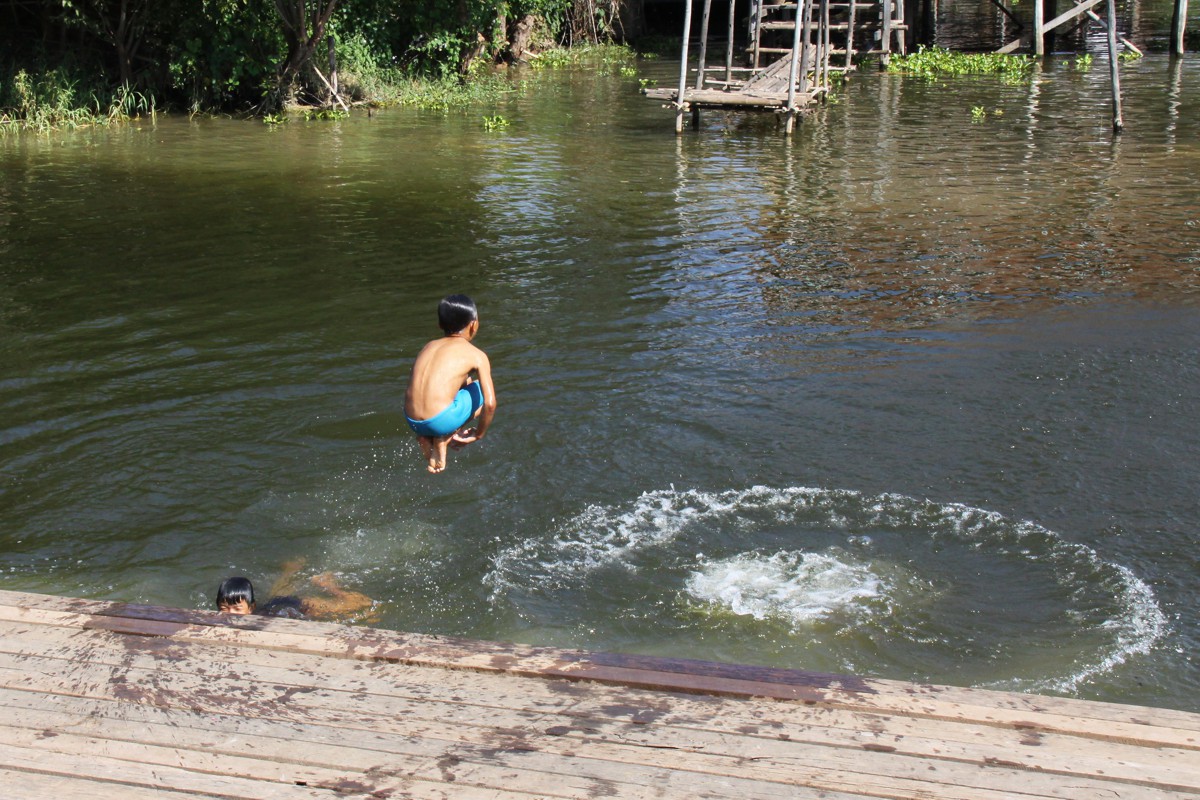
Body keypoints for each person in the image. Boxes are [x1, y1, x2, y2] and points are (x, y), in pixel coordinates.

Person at [404, 294, 497, 474]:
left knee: (464, 381)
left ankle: (427, 437)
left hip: (412, 419)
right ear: (474, 324)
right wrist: (478, 434)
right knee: (478, 388)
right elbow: (490, 404)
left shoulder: (428, 346)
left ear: (440, 325)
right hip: (440, 421)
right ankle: (444, 437)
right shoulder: (477, 355)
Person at [215, 559, 374, 621]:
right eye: (223, 608)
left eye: (236, 609)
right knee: (278, 594)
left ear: (251, 609)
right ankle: (290, 570)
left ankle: (329, 585)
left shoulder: (258, 618)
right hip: (275, 603)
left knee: (360, 605)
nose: (229, 613)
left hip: (298, 606)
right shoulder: (236, 614)